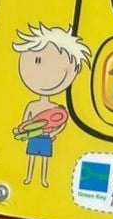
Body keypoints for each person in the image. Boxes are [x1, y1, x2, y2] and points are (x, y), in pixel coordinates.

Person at [12, 24, 91, 187]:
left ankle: (43, 179)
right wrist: (24, 130)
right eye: (38, 60)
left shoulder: (57, 108)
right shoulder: (32, 105)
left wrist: (54, 133)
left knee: (45, 159)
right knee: (32, 157)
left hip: (46, 138)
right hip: (33, 137)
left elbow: (62, 123)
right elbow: (25, 120)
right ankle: (29, 177)